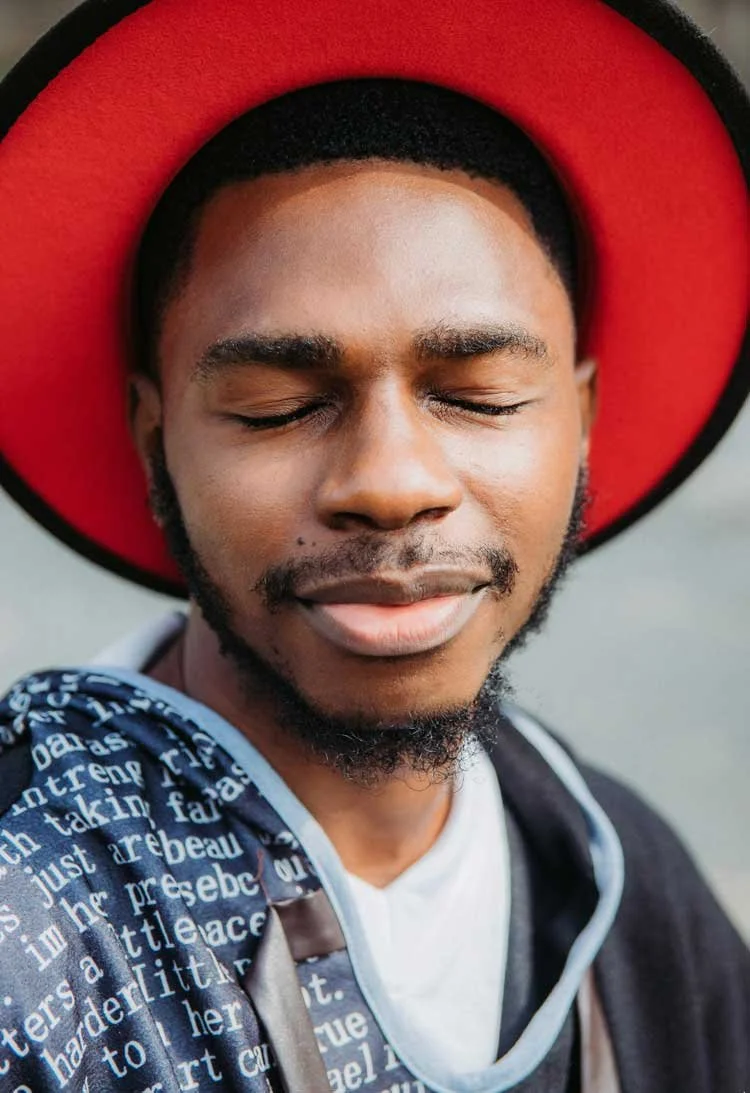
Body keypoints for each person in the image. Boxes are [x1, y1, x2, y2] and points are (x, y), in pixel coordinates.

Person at [0, 0, 748, 1090]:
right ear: (155, 440)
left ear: (582, 422)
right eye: (275, 406)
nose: (391, 484)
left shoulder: (623, 888)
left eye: (479, 396)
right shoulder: (35, 934)